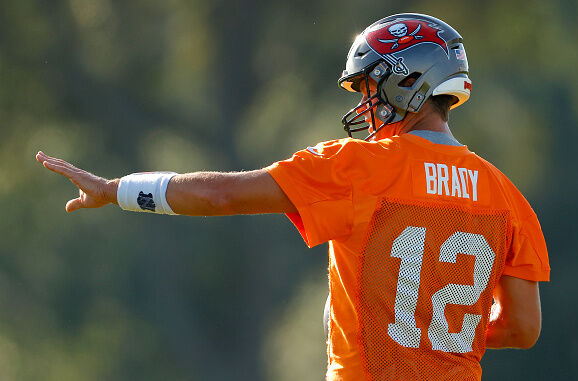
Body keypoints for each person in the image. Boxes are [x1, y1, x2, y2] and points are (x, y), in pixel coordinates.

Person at [36, 13, 549, 381]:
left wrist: (118, 190)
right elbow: (523, 329)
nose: (366, 106)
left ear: (407, 82)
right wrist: (435, 337)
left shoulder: (356, 166)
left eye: (371, 89)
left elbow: (219, 197)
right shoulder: (507, 197)